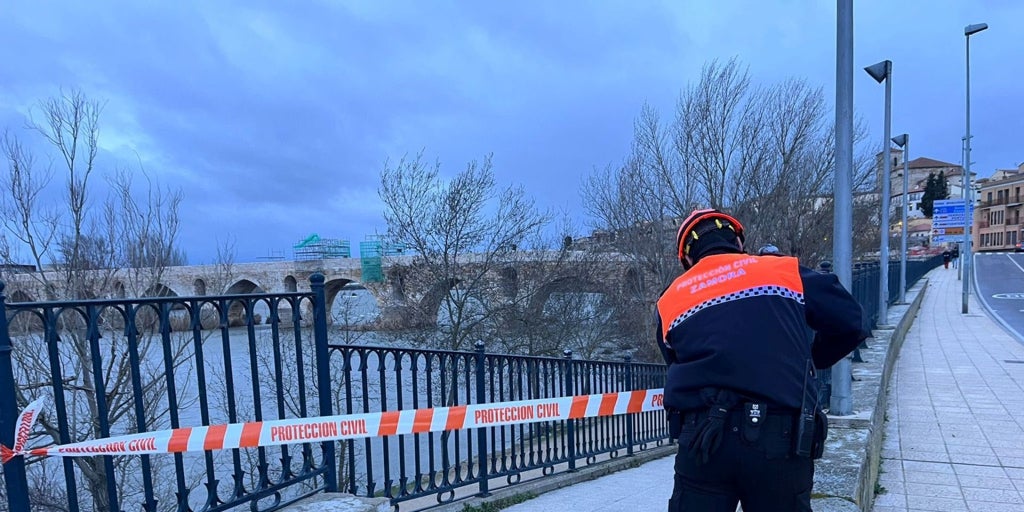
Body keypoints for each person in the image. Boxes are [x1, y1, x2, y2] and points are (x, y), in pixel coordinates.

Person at [656, 209, 869, 512]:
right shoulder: (783, 272)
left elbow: (674, 361)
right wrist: (814, 358)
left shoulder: (671, 299)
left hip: (702, 440)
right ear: (739, 243)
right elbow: (851, 322)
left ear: (687, 260)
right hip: (779, 438)